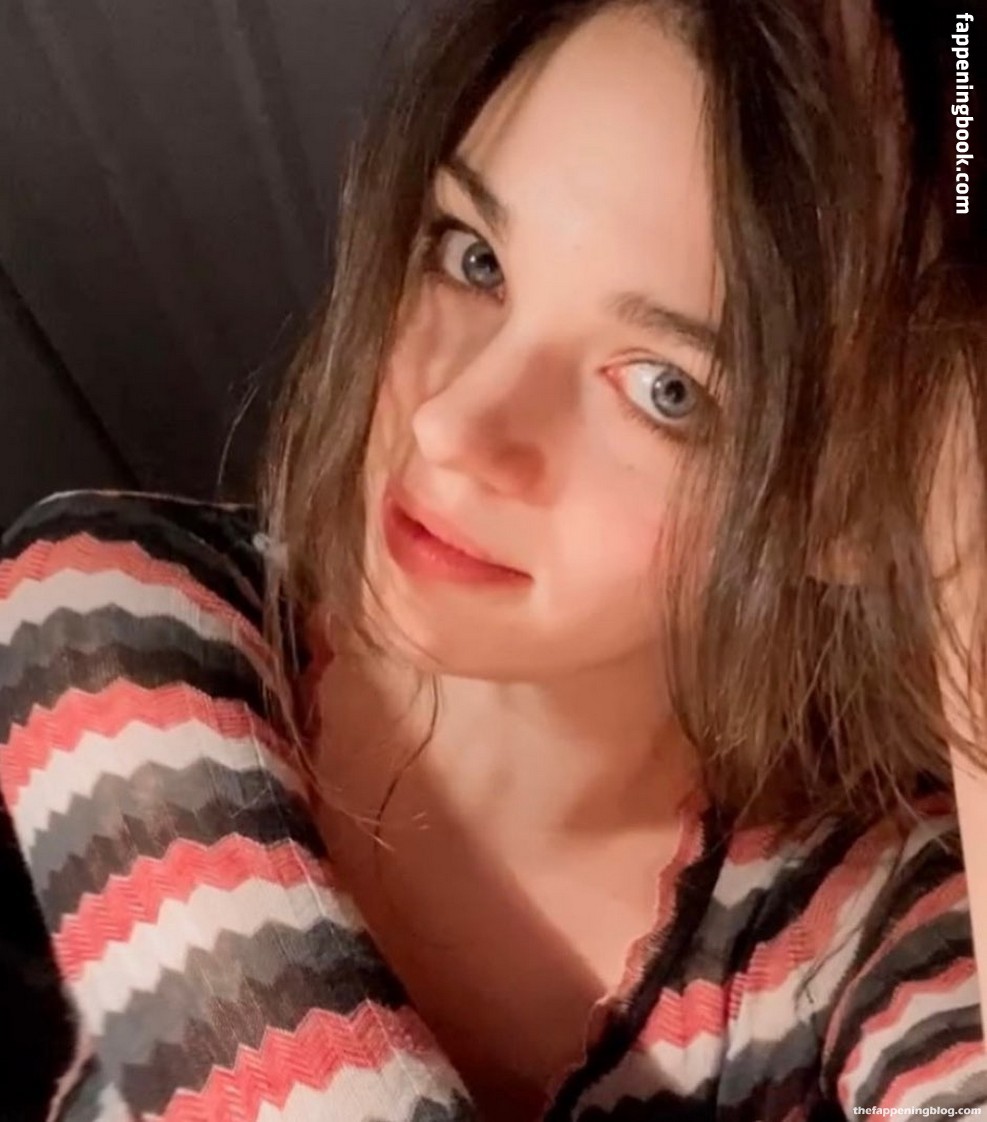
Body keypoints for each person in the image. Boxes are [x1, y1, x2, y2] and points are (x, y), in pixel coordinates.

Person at [0, 1, 985, 1120]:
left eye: (667, 388)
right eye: (473, 259)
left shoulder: (878, 926)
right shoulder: (111, 611)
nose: (454, 427)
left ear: (855, 506)